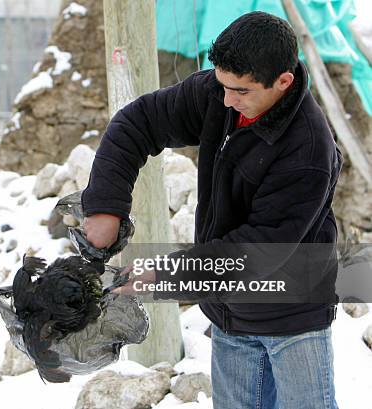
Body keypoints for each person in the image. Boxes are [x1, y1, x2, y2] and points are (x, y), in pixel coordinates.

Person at [82, 12, 342, 409]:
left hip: (292, 316)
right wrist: (105, 206)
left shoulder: (307, 150)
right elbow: (137, 122)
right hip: (229, 312)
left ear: (283, 83)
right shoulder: (220, 93)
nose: (226, 100)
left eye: (240, 91)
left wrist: (169, 274)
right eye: (221, 84)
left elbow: (258, 251)